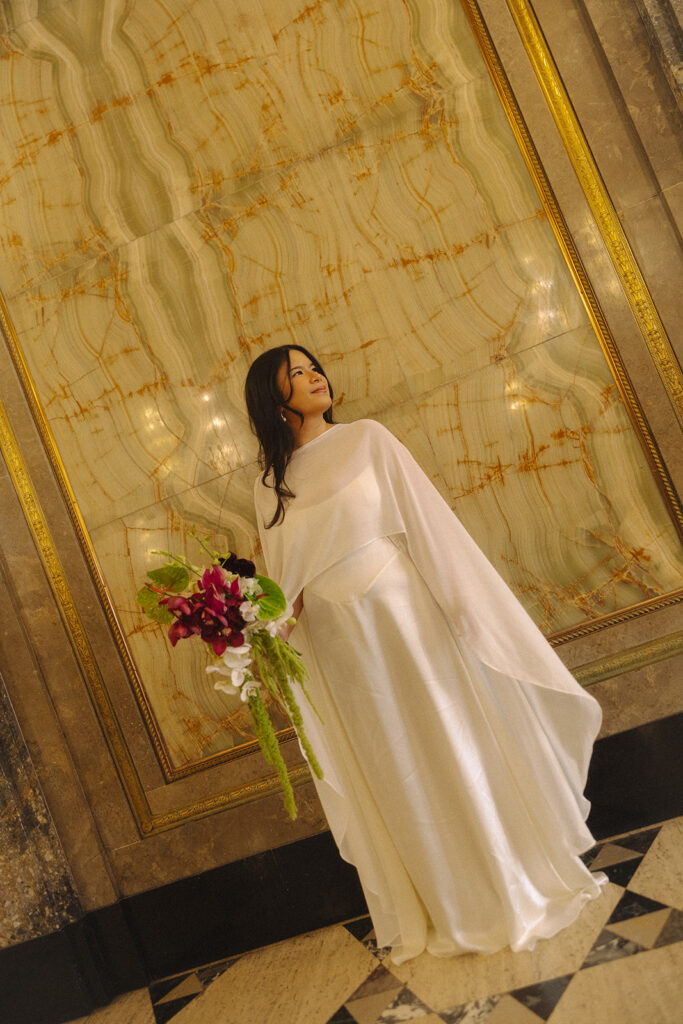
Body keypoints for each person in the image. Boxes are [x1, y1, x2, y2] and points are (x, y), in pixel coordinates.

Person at [245, 343, 608, 965]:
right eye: (296, 375)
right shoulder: (267, 486)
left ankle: (507, 886)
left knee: (446, 737)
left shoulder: (368, 439)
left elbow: (425, 519)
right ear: (274, 400)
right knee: (394, 761)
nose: (314, 378)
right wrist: (258, 623)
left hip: (403, 618)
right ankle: (445, 905)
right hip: (339, 646)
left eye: (313, 368)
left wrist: (464, 604)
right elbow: (286, 584)